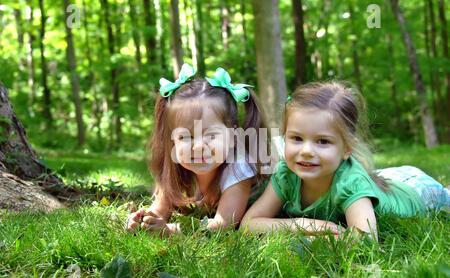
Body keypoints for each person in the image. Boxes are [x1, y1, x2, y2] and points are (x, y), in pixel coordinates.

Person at [240, 81, 450, 240]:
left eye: (322, 141)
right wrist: (303, 224)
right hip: (389, 180)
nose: (305, 151)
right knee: (378, 179)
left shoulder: (349, 182)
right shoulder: (286, 173)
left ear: (347, 148)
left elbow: (365, 240)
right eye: (296, 138)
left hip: (420, 191)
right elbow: (248, 225)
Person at [127, 63, 268, 236]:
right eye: (185, 137)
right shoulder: (175, 168)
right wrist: (145, 220)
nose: (199, 146)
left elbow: (223, 225)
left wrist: (173, 230)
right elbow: (159, 211)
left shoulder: (238, 169)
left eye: (211, 135)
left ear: (233, 137)